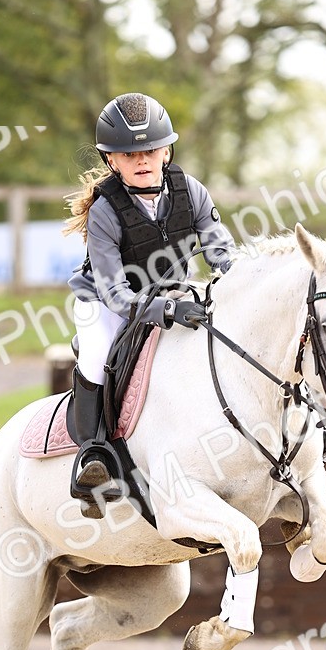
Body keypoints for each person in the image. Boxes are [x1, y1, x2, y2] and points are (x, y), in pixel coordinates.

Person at [64, 92, 236, 515]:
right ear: (112, 161)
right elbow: (116, 294)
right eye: (128, 154)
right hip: (105, 303)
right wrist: (165, 311)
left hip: (176, 292)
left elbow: (223, 256)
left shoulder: (190, 191)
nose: (141, 160)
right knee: (98, 354)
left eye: (150, 150)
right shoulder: (105, 212)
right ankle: (95, 456)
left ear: (166, 150)